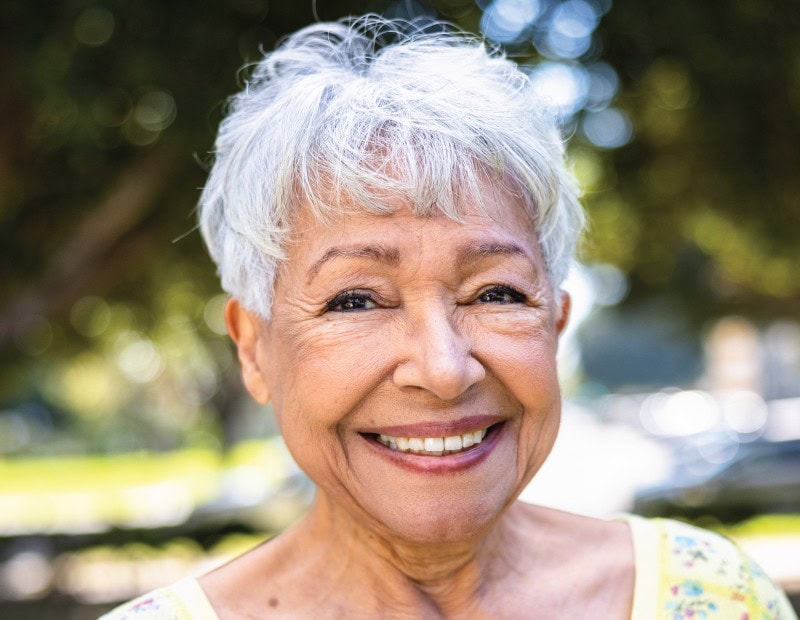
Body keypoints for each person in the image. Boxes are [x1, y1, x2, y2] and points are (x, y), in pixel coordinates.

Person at [101, 16, 796, 619]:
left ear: (555, 325)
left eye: (495, 293)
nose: (442, 370)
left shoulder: (711, 598)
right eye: (355, 299)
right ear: (254, 350)